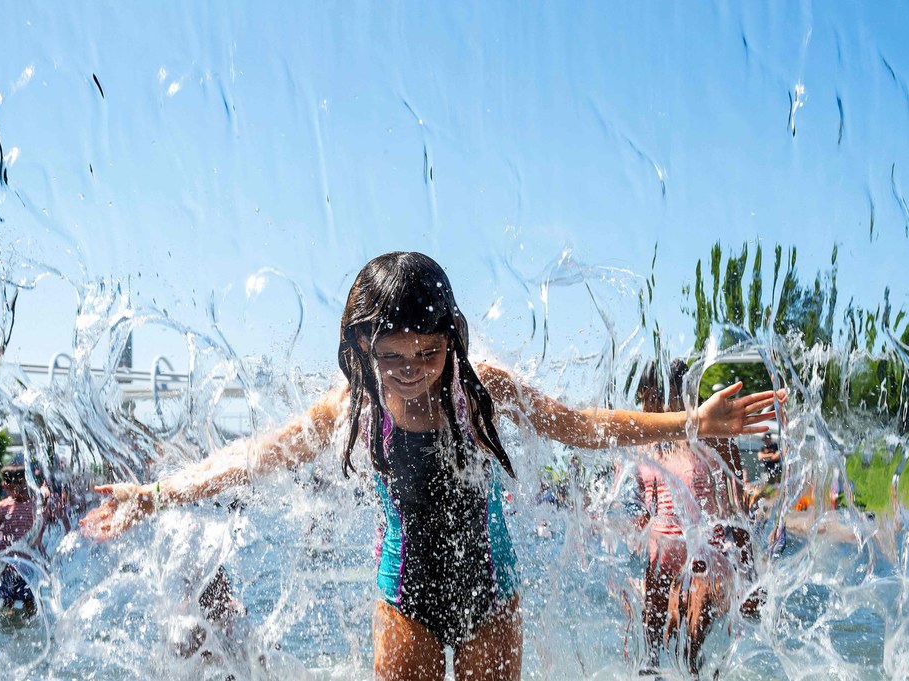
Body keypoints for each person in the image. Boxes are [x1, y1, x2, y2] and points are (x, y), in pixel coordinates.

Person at [81, 252, 780, 681]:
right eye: (393, 357)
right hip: (403, 599)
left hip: (490, 595)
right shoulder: (352, 406)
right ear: (361, 346)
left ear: (452, 339)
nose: (411, 373)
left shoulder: (482, 390)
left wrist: (690, 423)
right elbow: (255, 454)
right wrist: (157, 491)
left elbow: (584, 425)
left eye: (428, 353)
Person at [634, 360, 760, 677]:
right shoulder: (645, 440)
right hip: (661, 556)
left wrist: (751, 577)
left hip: (706, 553)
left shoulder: (712, 434)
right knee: (648, 654)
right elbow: (646, 505)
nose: (643, 405)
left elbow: (738, 510)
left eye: (647, 395)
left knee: (693, 641)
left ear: (670, 393)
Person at [0, 463, 39, 617]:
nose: (23, 488)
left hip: (29, 565)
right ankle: (7, 627)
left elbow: (40, 532)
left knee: (30, 600)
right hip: (7, 565)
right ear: (7, 486)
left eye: (25, 484)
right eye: (19, 484)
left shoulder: (34, 505)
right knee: (6, 600)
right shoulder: (0, 508)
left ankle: (29, 626)